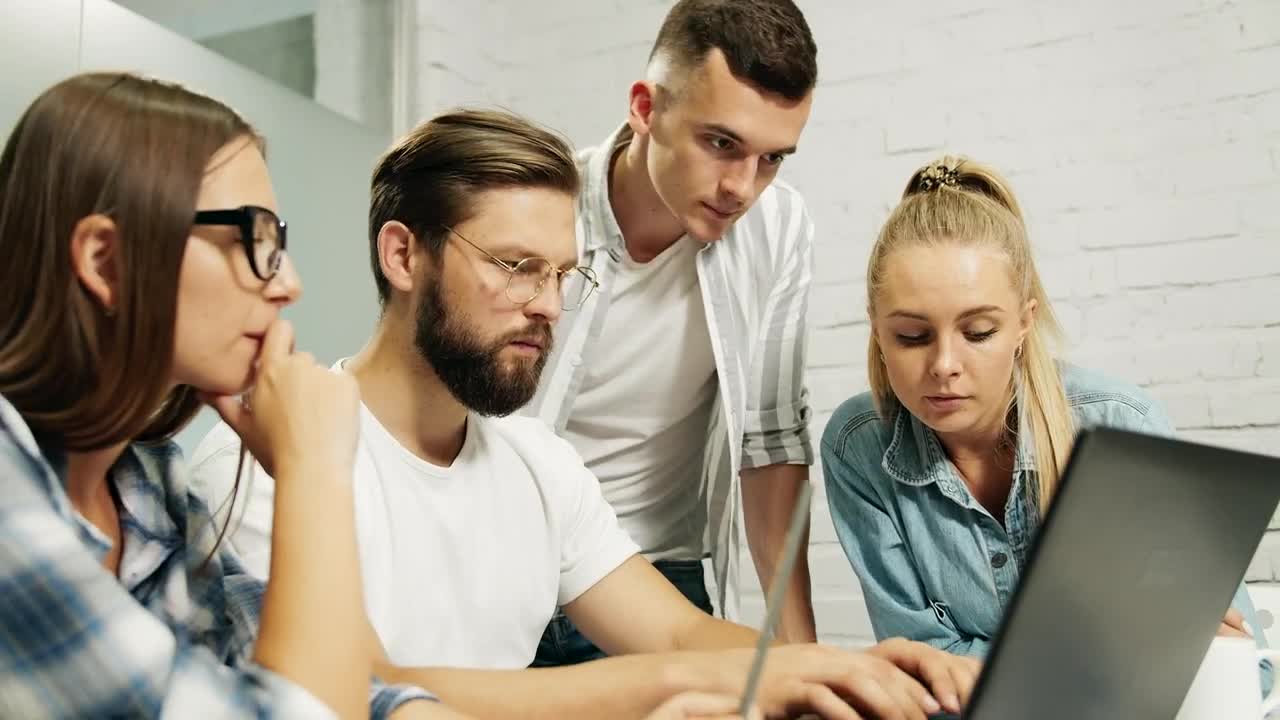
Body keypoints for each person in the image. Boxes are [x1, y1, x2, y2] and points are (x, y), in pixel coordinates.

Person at [191, 108, 980, 720]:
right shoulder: (271, 457)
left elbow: (678, 633)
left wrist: (854, 669)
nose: (547, 305)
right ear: (403, 255)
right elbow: (358, 690)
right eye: (515, 267)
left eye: (565, 274)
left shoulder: (539, 465)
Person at [0, 72, 434, 718]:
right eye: (253, 239)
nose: (289, 285)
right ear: (105, 260)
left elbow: (358, 693)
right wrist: (311, 469)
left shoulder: (152, 487)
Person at [821, 154, 1267, 660]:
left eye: (979, 332)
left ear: (1024, 323)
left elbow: (1246, 661)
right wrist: (1109, 654)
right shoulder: (857, 447)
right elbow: (922, 663)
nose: (944, 364)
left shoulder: (1122, 426)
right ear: (877, 330)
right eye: (912, 336)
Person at [526, 0, 822, 665]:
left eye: (772, 159)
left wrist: (799, 664)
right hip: (514, 572)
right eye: (722, 144)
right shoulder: (538, 216)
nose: (742, 188)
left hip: (661, 581)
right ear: (646, 108)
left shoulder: (777, 228)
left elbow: (770, 444)